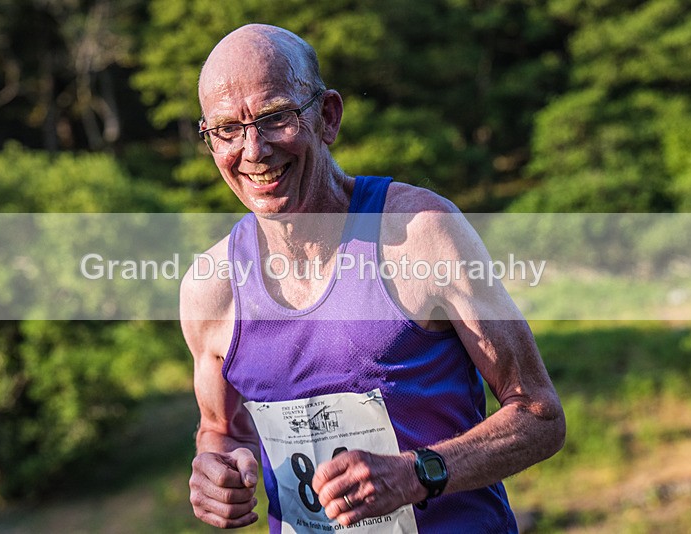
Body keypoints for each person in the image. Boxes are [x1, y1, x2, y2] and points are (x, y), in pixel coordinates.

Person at [181, 23, 565, 533]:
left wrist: (416, 474)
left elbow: (539, 416)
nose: (253, 151)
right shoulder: (211, 286)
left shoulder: (420, 234)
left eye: (276, 118)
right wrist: (216, 472)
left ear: (328, 117)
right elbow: (220, 431)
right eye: (227, 129)